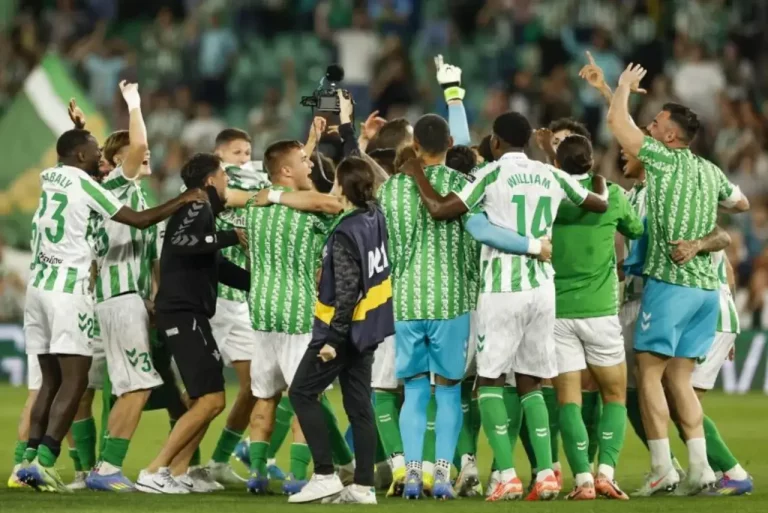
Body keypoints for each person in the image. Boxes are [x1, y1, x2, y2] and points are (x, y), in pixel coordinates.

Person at [403, 111, 609, 501]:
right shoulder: (550, 174)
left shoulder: (491, 173)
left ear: (496, 142)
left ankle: (507, 476)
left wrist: (416, 173)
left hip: (502, 288)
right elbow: (598, 203)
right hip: (543, 289)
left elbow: (441, 209)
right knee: (532, 381)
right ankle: (546, 474)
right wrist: (593, 175)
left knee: (490, 381)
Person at [18, 129, 202, 492]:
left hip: (57, 290)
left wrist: (80, 130)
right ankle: (92, 466)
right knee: (120, 384)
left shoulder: (59, 178)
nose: (98, 155)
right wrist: (183, 199)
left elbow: (76, 155)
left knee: (67, 385)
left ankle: (42, 463)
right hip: (99, 296)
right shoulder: (109, 185)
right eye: (96, 151)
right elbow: (139, 217)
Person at [606, 63, 749, 495]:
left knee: (649, 376)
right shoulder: (709, 170)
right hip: (706, 291)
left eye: (655, 124)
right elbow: (740, 203)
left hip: (671, 284)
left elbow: (618, 124)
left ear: (669, 137)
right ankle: (701, 470)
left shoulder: (663, 161)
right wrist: (701, 224)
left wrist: (622, 87)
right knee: (679, 381)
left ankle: (661, 468)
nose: (648, 129)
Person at [241, 140, 351, 496]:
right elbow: (334, 204)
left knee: (265, 395)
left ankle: (256, 473)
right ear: (287, 171)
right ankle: (298, 474)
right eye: (304, 160)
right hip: (298, 313)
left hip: (261, 313)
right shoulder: (308, 212)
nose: (311, 165)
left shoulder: (254, 206)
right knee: (306, 396)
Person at [136, 153, 250, 494]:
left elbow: (216, 266)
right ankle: (154, 471)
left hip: (191, 314)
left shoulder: (204, 212)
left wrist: (259, 283)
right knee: (211, 399)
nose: (227, 180)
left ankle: (178, 470)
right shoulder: (197, 206)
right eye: (224, 174)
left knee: (209, 399)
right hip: (182, 313)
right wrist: (230, 236)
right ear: (210, 180)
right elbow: (180, 243)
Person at [377, 113, 474, 500]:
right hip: (451, 301)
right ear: (450, 144)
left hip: (406, 302)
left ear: (414, 145)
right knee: (448, 393)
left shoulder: (390, 189)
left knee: (414, 391)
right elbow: (473, 246)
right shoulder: (463, 185)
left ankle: (414, 474)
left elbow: (383, 245)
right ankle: (444, 476)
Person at [288, 157, 394, 505]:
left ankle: (324, 475)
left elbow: (347, 290)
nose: (331, 185)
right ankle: (363, 486)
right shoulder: (375, 215)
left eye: (335, 180)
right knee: (359, 406)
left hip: (342, 331)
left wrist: (332, 340)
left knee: (301, 392)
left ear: (344, 188)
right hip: (370, 326)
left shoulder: (346, 232)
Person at [548, 133, 644, 500]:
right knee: (615, 394)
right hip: (601, 311)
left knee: (568, 400)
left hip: (558, 311)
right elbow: (636, 229)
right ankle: (606, 473)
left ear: (558, 164)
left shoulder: (550, 196)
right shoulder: (612, 195)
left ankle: (582, 482)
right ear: (591, 162)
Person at [82, 81, 165, 492]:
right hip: (118, 300)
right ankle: (107, 469)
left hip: (125, 299)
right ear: (118, 161)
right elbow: (140, 144)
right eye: (134, 151)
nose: (145, 153)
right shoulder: (115, 186)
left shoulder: (136, 194)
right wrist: (134, 102)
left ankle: (100, 467)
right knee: (139, 386)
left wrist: (153, 293)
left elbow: (150, 255)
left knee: (128, 386)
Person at [205, 128, 269, 486]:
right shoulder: (211, 188)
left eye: (248, 152)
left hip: (241, 301)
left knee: (256, 386)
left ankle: (217, 462)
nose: (244, 158)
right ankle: (179, 465)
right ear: (219, 156)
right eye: (237, 153)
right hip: (213, 300)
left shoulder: (253, 182)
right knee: (201, 392)